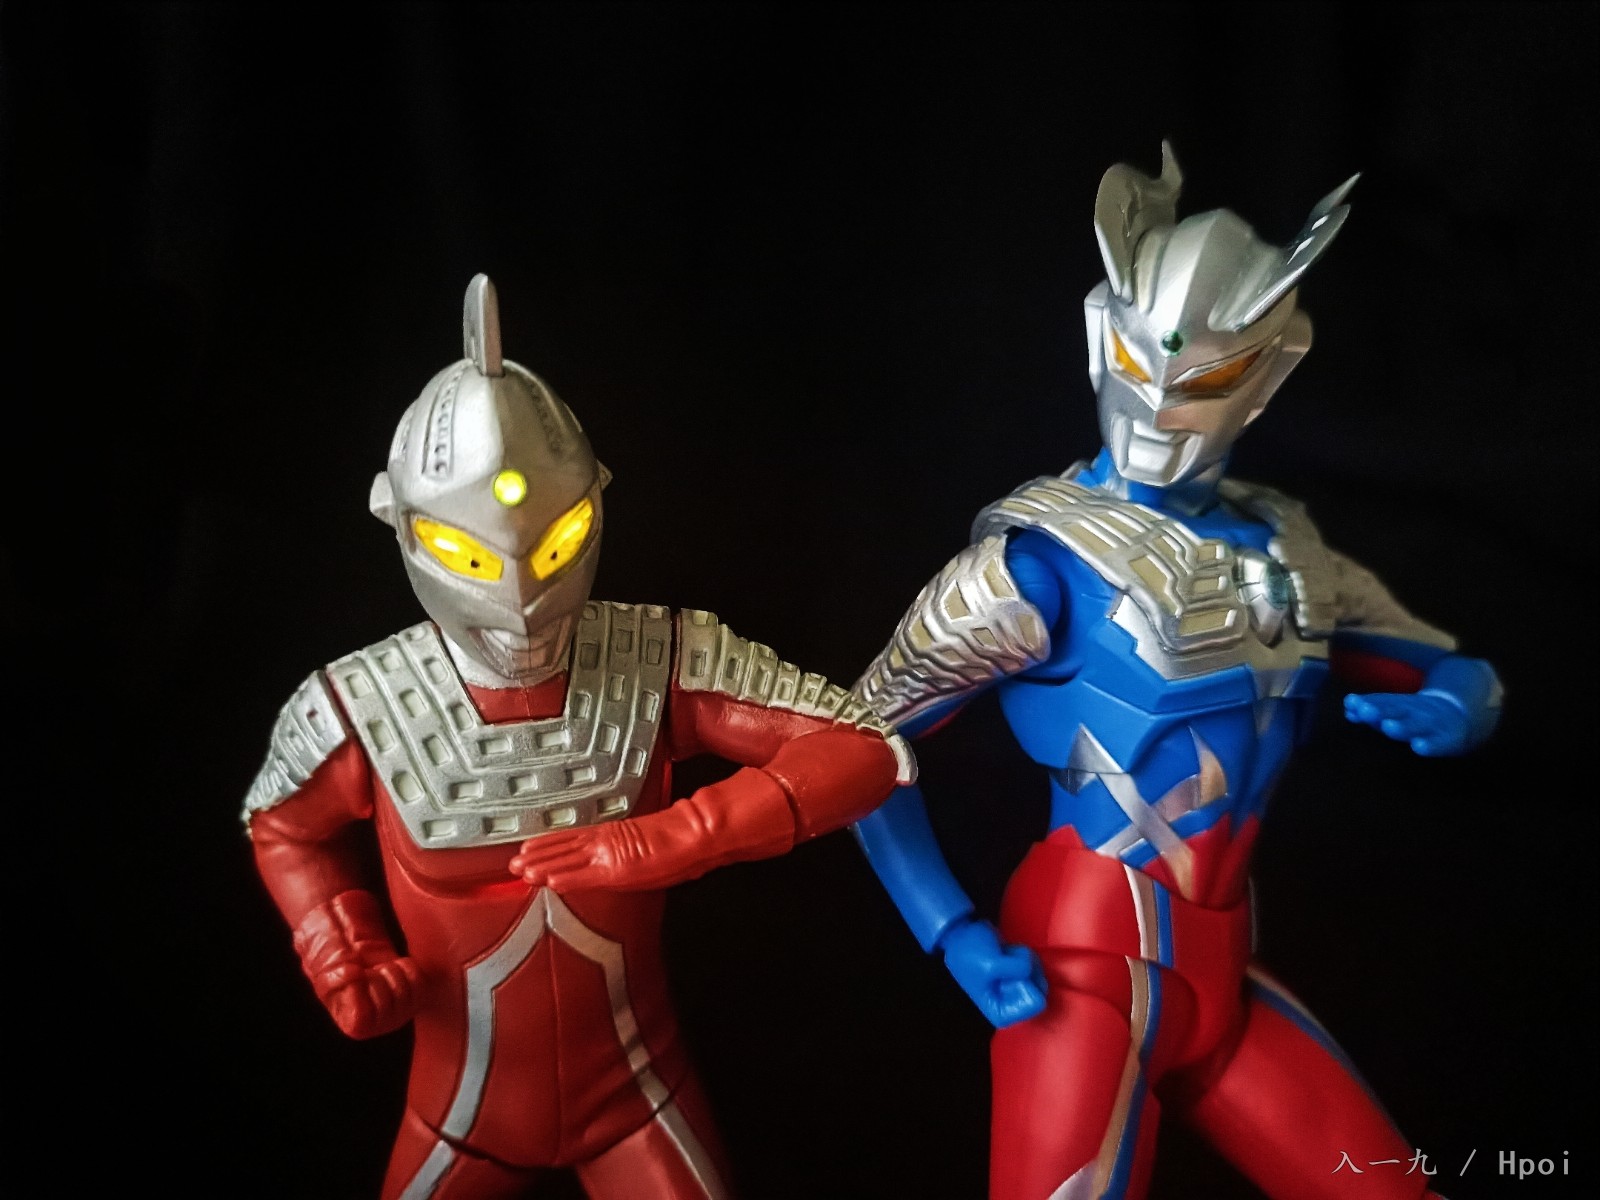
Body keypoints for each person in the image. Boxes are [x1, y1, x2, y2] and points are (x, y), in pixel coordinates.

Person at [846, 146, 1501, 1200]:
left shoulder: (1290, 549)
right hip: (1082, 973)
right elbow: (859, 746)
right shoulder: (1034, 565)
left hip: (1225, 972)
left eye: (1202, 383)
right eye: (1139, 367)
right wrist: (951, 931)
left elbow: (1450, 664)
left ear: (1270, 370)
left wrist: (1457, 706)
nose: (1158, 409)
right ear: (1101, 341)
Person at [244, 274, 912, 1200]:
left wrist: (679, 836)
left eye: (556, 545)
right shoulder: (361, 702)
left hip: (638, 1091)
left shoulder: (659, 655)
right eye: (471, 557)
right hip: (457, 1115)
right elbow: (281, 826)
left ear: (595, 505)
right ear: (404, 529)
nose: (520, 597)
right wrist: (339, 946)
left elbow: (864, 747)